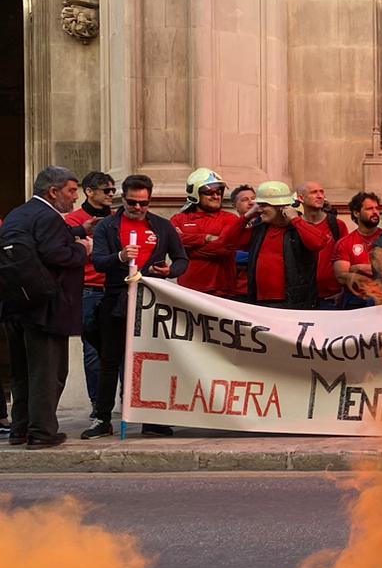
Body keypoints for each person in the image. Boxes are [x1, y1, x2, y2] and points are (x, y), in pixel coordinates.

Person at [83, 174, 188, 439]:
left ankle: (151, 418)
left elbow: (181, 259)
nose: (138, 208)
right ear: (123, 198)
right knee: (110, 360)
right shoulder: (108, 226)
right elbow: (98, 262)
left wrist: (168, 270)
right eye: (132, 202)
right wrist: (119, 256)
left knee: (151, 360)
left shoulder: (162, 227)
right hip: (116, 298)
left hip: (152, 300)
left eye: (144, 203)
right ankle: (102, 417)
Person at [1, 167, 91, 448]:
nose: (75, 198)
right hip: (46, 307)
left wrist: (75, 230)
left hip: (15, 304)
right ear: (53, 192)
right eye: (71, 191)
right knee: (48, 372)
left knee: (23, 371)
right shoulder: (49, 217)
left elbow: (39, 239)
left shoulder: (20, 212)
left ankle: (20, 429)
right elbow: (57, 253)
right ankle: (42, 433)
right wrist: (82, 249)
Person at [64, 170, 116, 408]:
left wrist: (93, 246)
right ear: (90, 191)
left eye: (114, 191)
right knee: (94, 350)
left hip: (116, 287)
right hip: (88, 290)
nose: (111, 195)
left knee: (124, 348)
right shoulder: (74, 221)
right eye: (107, 190)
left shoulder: (118, 218)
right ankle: (98, 405)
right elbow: (74, 253)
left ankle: (127, 403)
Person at [244, 182, 335, 309]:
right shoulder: (259, 229)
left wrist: (295, 220)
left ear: (281, 207)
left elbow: (319, 243)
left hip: (292, 305)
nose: (259, 209)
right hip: (259, 304)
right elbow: (227, 242)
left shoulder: (298, 228)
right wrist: (246, 217)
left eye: (264, 205)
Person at [172, 167, 245, 298]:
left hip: (223, 291)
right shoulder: (179, 219)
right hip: (188, 292)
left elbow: (224, 248)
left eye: (219, 192)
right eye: (209, 192)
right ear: (195, 194)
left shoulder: (230, 219)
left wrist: (190, 250)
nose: (215, 196)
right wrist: (206, 238)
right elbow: (175, 244)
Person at [296, 182, 350, 310]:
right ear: (300, 198)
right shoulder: (295, 225)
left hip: (331, 298)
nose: (320, 196)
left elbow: (346, 258)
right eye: (314, 192)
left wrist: (344, 290)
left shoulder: (337, 225)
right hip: (302, 298)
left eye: (321, 192)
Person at [332, 191, 382, 309]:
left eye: (377, 208)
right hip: (356, 303)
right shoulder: (345, 243)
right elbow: (341, 276)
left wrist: (358, 268)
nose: (375, 212)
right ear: (356, 213)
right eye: (369, 209)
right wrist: (367, 275)